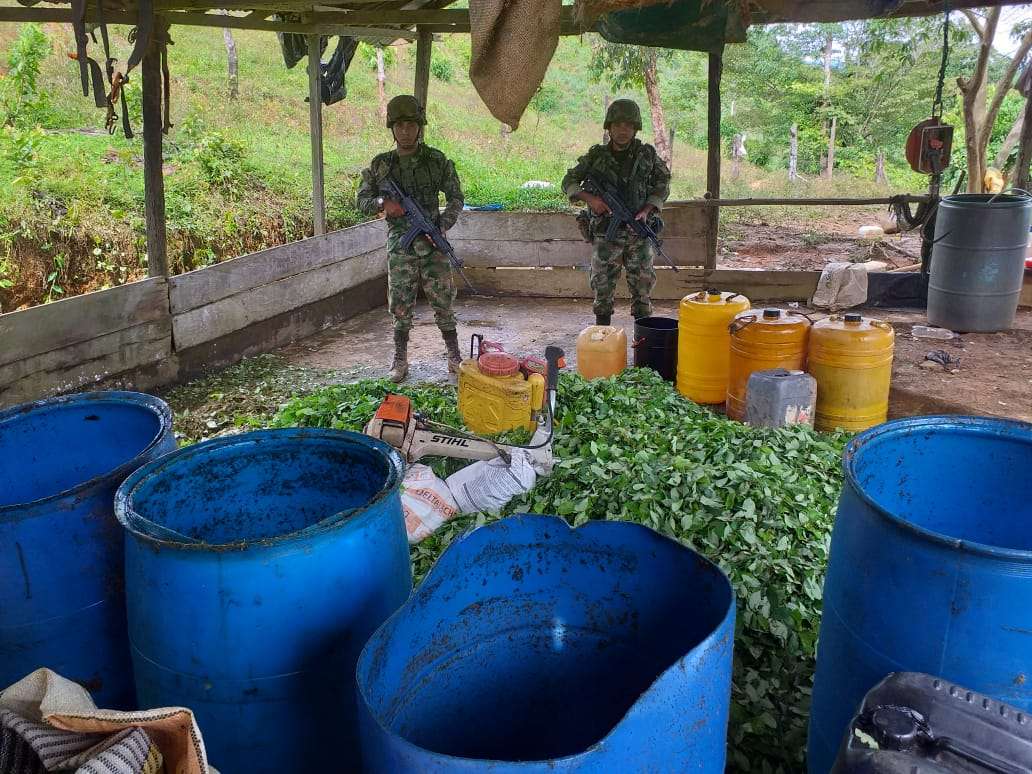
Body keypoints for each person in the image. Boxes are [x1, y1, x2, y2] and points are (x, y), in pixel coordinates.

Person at [357, 94, 465, 383]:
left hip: (432, 244)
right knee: (401, 303)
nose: (406, 131)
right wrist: (384, 204)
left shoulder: (436, 160)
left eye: (411, 125)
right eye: (400, 125)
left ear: (420, 127)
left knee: (443, 300)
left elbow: (456, 197)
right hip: (400, 246)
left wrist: (443, 225)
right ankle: (400, 360)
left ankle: (454, 356)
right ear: (392, 127)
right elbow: (362, 200)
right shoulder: (381, 165)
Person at [561, 99, 671, 325]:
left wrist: (648, 208)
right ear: (609, 127)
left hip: (638, 232)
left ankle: (644, 344)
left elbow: (663, 182)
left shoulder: (646, 155)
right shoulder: (596, 156)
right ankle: (603, 339)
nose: (623, 130)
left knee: (642, 287)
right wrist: (591, 199)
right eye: (618, 124)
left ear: (635, 128)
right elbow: (568, 181)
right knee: (602, 287)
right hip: (605, 232)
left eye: (629, 125)